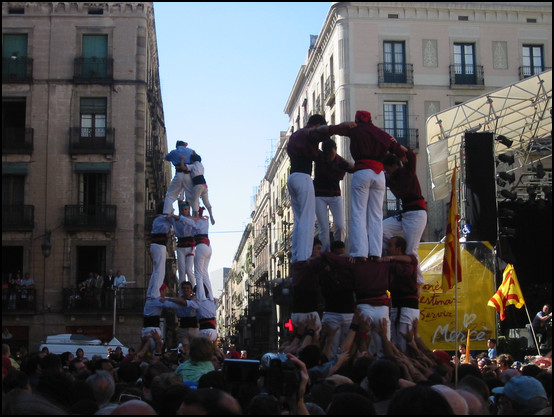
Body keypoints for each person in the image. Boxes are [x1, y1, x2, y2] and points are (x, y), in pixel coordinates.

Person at [327, 110, 407, 260]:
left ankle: (360, 253)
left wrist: (340, 125)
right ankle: (376, 253)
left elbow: (335, 130)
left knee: (358, 214)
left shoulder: (355, 128)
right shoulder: (381, 133)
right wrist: (399, 149)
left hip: (362, 171)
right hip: (379, 174)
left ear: (357, 119)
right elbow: (399, 151)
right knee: (376, 216)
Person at [286, 114, 356, 263]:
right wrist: (343, 125)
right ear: (317, 125)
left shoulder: (295, 137)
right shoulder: (308, 133)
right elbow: (324, 131)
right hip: (303, 177)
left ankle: (297, 256)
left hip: (293, 177)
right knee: (307, 220)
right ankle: (303, 258)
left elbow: (318, 154)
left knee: (299, 220)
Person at [382, 147, 427, 290]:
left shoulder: (407, 171)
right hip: (405, 213)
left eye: (387, 170)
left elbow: (412, 155)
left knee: (411, 251)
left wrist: (395, 146)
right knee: (379, 229)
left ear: (394, 166)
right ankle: (395, 253)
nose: (386, 173)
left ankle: (418, 282)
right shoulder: (391, 178)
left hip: (416, 214)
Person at [379, 235, 419, 353]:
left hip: (407, 306)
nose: (386, 248)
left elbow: (413, 259)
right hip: (396, 305)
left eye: (390, 245)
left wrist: (391, 259)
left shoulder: (407, 263)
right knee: (396, 342)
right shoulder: (390, 263)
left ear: (399, 248)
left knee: (404, 343)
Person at [313, 139, 354, 252]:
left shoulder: (340, 161)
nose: (330, 156)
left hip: (335, 195)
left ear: (335, 150)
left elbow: (353, 167)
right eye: (328, 154)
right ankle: (325, 252)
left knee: (340, 226)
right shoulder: (319, 156)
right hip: (319, 195)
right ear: (324, 152)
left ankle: (338, 249)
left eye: (332, 153)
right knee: (324, 228)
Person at [138, 283, 189, 359]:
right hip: (153, 330)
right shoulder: (158, 300)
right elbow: (173, 305)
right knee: (155, 350)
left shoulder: (149, 301)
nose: (166, 293)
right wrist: (187, 303)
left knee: (148, 350)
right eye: (165, 291)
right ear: (161, 291)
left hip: (146, 330)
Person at [147, 202, 175, 300]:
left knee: (156, 271)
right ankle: (155, 294)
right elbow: (176, 220)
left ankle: (151, 292)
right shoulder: (163, 219)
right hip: (159, 246)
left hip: (155, 246)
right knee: (160, 272)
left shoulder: (158, 219)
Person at [180, 153, 215, 224]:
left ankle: (196, 217)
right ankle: (211, 215)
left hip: (198, 185)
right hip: (204, 185)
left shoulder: (193, 166)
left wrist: (182, 160)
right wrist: (194, 153)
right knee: (206, 201)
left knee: (194, 200)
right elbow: (197, 157)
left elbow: (183, 167)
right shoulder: (201, 165)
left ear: (192, 160)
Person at [162, 140, 196, 215]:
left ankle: (166, 213)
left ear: (177, 146)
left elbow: (166, 158)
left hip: (179, 174)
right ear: (184, 145)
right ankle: (195, 214)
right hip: (188, 175)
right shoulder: (190, 151)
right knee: (191, 196)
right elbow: (196, 159)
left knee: (170, 195)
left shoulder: (173, 152)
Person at [174, 200, 197, 287]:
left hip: (190, 246)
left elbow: (192, 224)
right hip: (180, 246)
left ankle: (194, 289)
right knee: (181, 271)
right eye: (183, 210)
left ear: (188, 210)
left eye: (186, 210)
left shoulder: (192, 220)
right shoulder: (176, 220)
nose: (184, 212)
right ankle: (181, 292)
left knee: (189, 270)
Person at [176, 281, 200, 361]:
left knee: (195, 348)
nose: (186, 290)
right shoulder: (179, 300)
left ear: (191, 290)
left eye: (188, 288)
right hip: (183, 328)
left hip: (194, 328)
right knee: (186, 349)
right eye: (184, 288)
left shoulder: (195, 300)